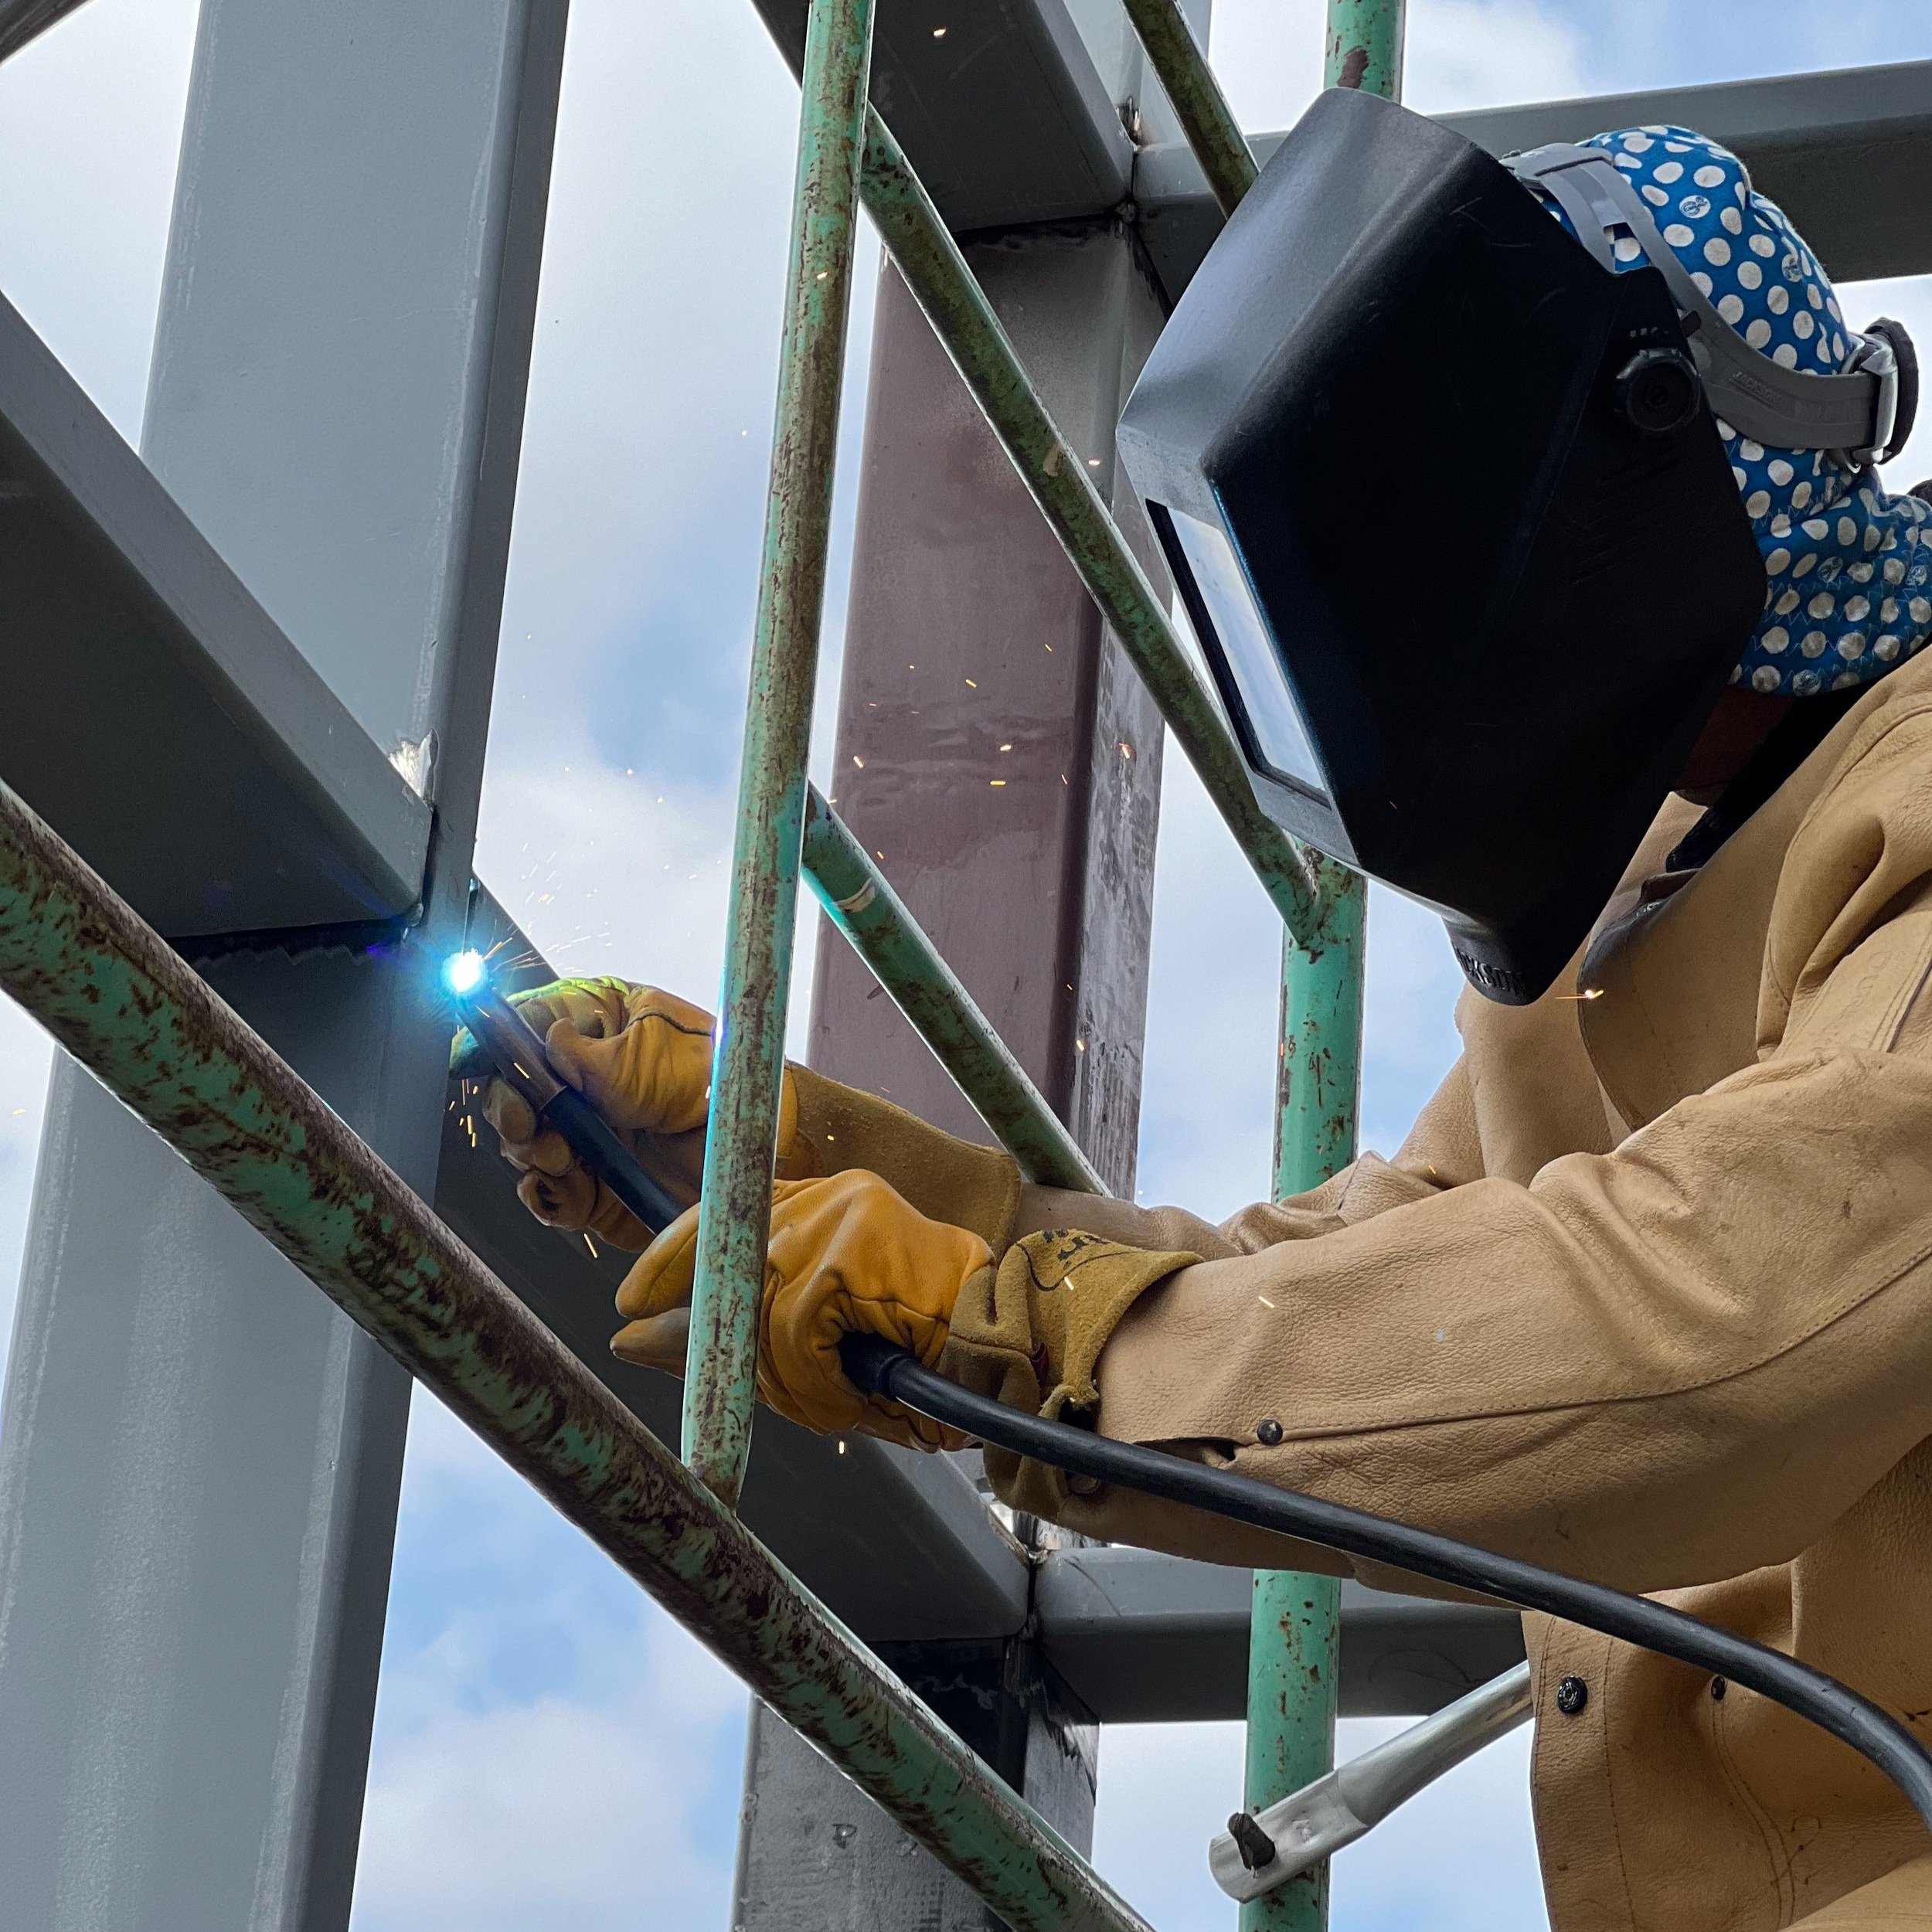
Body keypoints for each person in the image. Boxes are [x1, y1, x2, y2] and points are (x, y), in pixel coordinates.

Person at [458, 128, 1932, 1929]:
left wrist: (1017, 1339)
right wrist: (850, 1191)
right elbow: (1384, 1285)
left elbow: (1717, 1327)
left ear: (1627, 476)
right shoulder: (1648, 893)